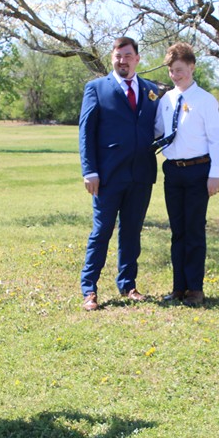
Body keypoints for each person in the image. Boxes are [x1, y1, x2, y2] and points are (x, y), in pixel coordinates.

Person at [78, 36, 162, 311]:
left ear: (137, 59)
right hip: (107, 175)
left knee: (132, 232)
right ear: (112, 58)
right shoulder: (96, 88)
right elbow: (86, 132)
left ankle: (127, 284)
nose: (122, 60)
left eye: (127, 56)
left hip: (141, 174)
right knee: (102, 231)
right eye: (118, 56)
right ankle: (89, 289)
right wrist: (89, 170)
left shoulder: (151, 90)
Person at [155, 42, 219, 307]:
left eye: (179, 70)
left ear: (192, 67)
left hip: (198, 170)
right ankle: (178, 287)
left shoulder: (205, 100)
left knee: (194, 230)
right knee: (178, 231)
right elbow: (158, 130)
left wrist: (214, 174)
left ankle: (195, 288)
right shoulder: (166, 100)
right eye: (171, 71)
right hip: (173, 171)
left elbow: (216, 139)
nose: (175, 75)